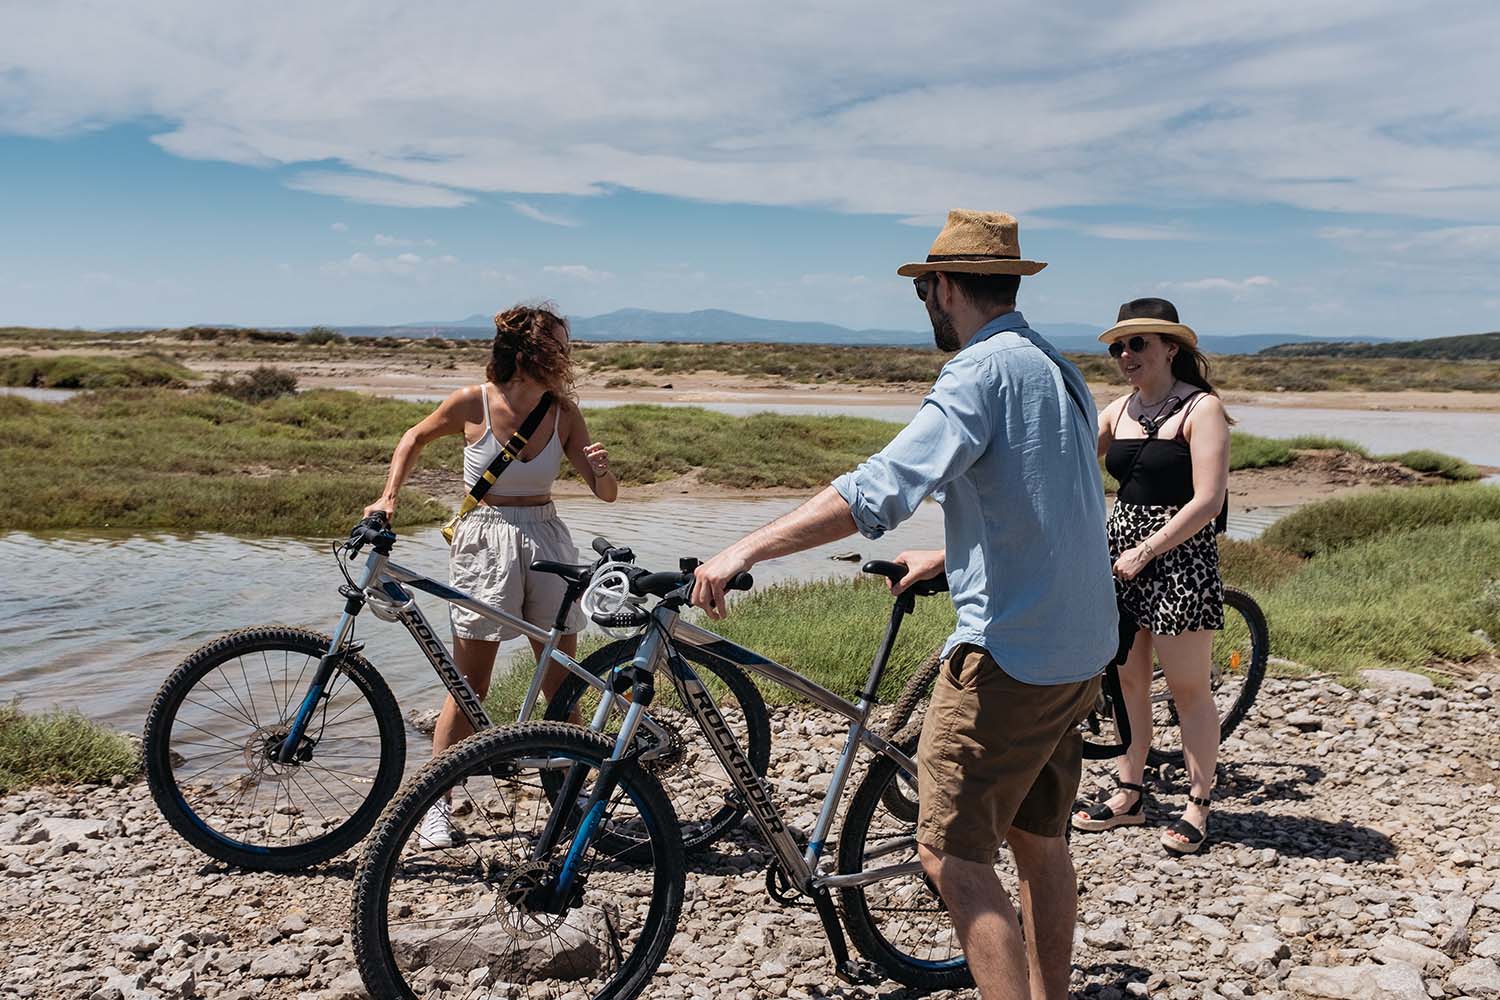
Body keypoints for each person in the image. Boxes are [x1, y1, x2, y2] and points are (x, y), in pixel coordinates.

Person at [692, 210, 1118, 1000]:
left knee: (953, 858)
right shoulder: (1057, 368)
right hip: (1082, 647)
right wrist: (955, 556)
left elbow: (875, 493)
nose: (925, 303)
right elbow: (1052, 514)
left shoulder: (978, 373)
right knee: (1039, 840)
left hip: (1010, 657)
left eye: (925, 288)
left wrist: (742, 549)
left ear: (946, 286)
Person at [363, 303, 617, 848]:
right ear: (531, 353)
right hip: (485, 535)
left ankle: (575, 803)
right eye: (558, 347)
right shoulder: (470, 401)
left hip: (547, 534)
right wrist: (387, 499)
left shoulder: (563, 411)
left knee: (559, 678)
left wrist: (601, 469)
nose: (567, 357)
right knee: (468, 678)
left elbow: (607, 493)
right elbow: (412, 438)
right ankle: (436, 806)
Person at [1071, 298, 1231, 855]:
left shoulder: (1201, 410)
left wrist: (1148, 550)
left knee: (1188, 689)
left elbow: (1208, 500)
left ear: (1171, 348)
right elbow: (1074, 476)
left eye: (1138, 343)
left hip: (1179, 558)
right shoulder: (1116, 412)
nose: (1125, 354)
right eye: (1118, 346)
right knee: (1127, 682)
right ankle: (1130, 792)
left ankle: (1199, 804)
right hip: (1119, 554)